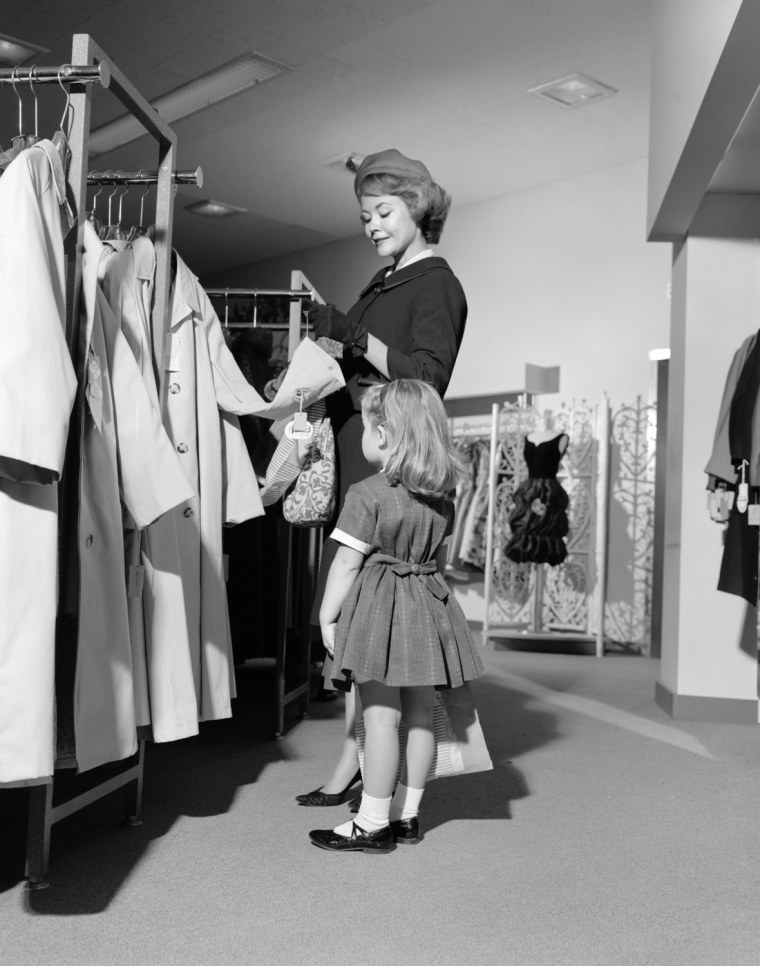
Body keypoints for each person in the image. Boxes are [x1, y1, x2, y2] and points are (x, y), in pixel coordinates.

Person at [296, 148, 469, 810]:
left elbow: (425, 380)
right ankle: (353, 756)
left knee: (366, 619)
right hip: (359, 454)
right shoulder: (387, 280)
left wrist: (353, 337)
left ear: (419, 207)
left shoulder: (435, 284)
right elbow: (369, 371)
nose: (370, 225)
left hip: (390, 471)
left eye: (383, 212)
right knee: (358, 623)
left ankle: (361, 768)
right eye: (365, 215)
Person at [308, 380, 484, 852]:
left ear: (382, 435)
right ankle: (407, 816)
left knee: (381, 719)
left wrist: (328, 617)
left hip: (380, 613)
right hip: (427, 607)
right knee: (423, 717)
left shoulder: (367, 493)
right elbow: (439, 565)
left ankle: (371, 822)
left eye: (366, 428)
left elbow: (346, 563)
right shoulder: (442, 497)